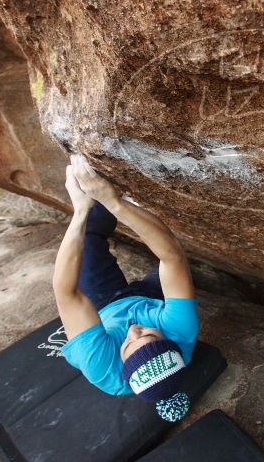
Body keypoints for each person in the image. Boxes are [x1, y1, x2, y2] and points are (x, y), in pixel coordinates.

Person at [52, 154, 199, 421]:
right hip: (150, 299)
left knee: (88, 236)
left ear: (122, 362)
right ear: (169, 340)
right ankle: (114, 195)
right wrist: (115, 202)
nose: (133, 331)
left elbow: (66, 293)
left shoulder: (102, 366)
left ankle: (95, 201)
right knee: (176, 264)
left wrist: (80, 211)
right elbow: (172, 257)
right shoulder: (181, 331)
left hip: (105, 306)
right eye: (147, 335)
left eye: (128, 344)